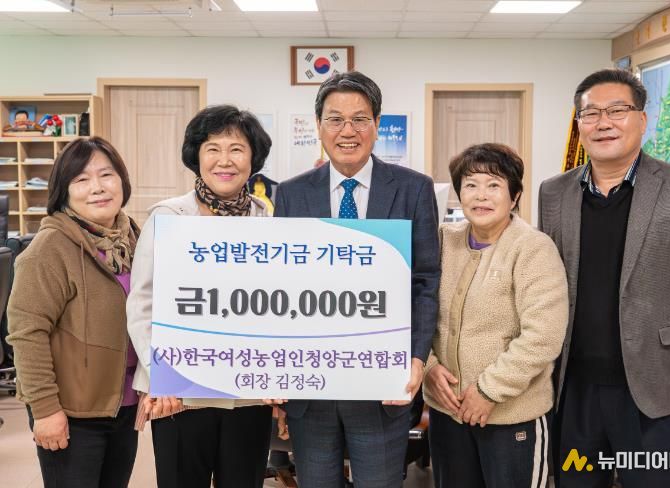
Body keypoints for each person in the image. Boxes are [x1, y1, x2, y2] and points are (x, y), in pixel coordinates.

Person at [538, 68, 670, 487]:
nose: (603, 123)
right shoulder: (553, 192)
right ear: (579, 125)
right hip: (574, 387)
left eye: (617, 111)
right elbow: (545, 283)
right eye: (591, 114)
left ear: (642, 120)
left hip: (657, 388)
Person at [274, 71, 440, 487]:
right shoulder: (291, 194)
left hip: (383, 385)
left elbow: (425, 281)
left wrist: (417, 358)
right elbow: (279, 287)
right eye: (335, 119)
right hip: (311, 387)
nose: (347, 131)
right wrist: (275, 368)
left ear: (377, 124)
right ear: (319, 126)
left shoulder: (413, 189)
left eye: (360, 119)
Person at [127, 105, 273, 488]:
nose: (225, 160)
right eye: (213, 148)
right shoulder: (168, 217)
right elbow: (142, 304)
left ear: (253, 158)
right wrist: (161, 374)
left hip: (248, 394)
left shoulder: (268, 221)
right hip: (180, 395)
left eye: (237, 149)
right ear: (197, 156)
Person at [424, 143, 567, 488]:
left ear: (514, 195)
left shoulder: (533, 248)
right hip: (447, 414)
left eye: (494, 185)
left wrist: (488, 392)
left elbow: (543, 336)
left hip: (511, 418)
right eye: (470, 185)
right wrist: (428, 367)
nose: (481, 195)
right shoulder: (443, 240)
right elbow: (418, 311)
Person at [7, 136, 140, 487]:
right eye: (81, 179)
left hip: (124, 405)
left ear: (122, 181)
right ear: (63, 191)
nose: (97, 187)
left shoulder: (132, 238)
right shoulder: (49, 249)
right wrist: (45, 410)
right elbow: (26, 334)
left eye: (106, 175)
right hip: (72, 412)